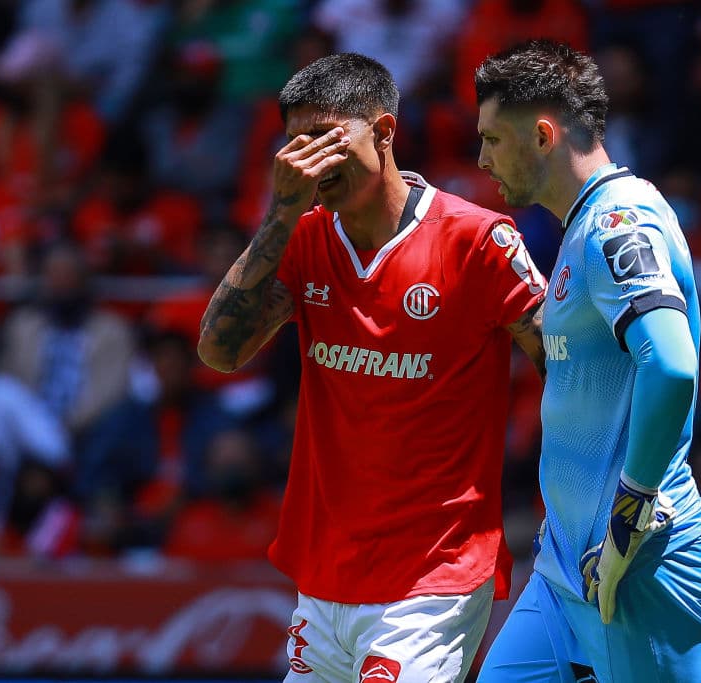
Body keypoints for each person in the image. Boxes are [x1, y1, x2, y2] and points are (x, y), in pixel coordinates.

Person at [197, 53, 548, 683]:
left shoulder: (478, 242)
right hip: (326, 573)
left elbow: (569, 370)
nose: (312, 160)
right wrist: (279, 212)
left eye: (327, 138)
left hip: (433, 575)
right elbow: (220, 351)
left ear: (384, 132)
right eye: (296, 143)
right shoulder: (303, 240)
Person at [474, 40, 701, 682]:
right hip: (566, 569)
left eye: (493, 140)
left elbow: (671, 365)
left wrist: (628, 519)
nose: (481, 160)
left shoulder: (618, 222)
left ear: (541, 134)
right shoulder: (580, 228)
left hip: (636, 562)